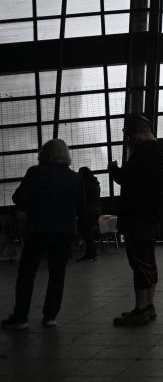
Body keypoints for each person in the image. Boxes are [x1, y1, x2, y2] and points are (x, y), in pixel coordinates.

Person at [1, 139, 83, 330]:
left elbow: (19, 197)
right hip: (64, 230)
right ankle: (50, 316)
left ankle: (21, 317)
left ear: (44, 153)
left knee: (27, 272)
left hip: (39, 228)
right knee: (57, 274)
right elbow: (81, 205)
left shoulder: (35, 173)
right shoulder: (74, 178)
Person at [109, 113, 163, 327]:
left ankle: (141, 309)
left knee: (139, 262)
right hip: (151, 216)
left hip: (138, 217)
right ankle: (149, 305)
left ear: (137, 133)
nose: (128, 139)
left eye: (129, 134)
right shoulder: (159, 151)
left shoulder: (144, 152)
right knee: (148, 261)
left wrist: (115, 171)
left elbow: (129, 180)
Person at [76, 167, 101, 262]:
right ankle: (92, 254)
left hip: (88, 212)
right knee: (89, 234)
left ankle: (90, 255)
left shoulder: (85, 184)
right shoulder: (96, 184)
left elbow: (82, 199)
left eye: (80, 173)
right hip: (96, 211)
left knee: (88, 234)